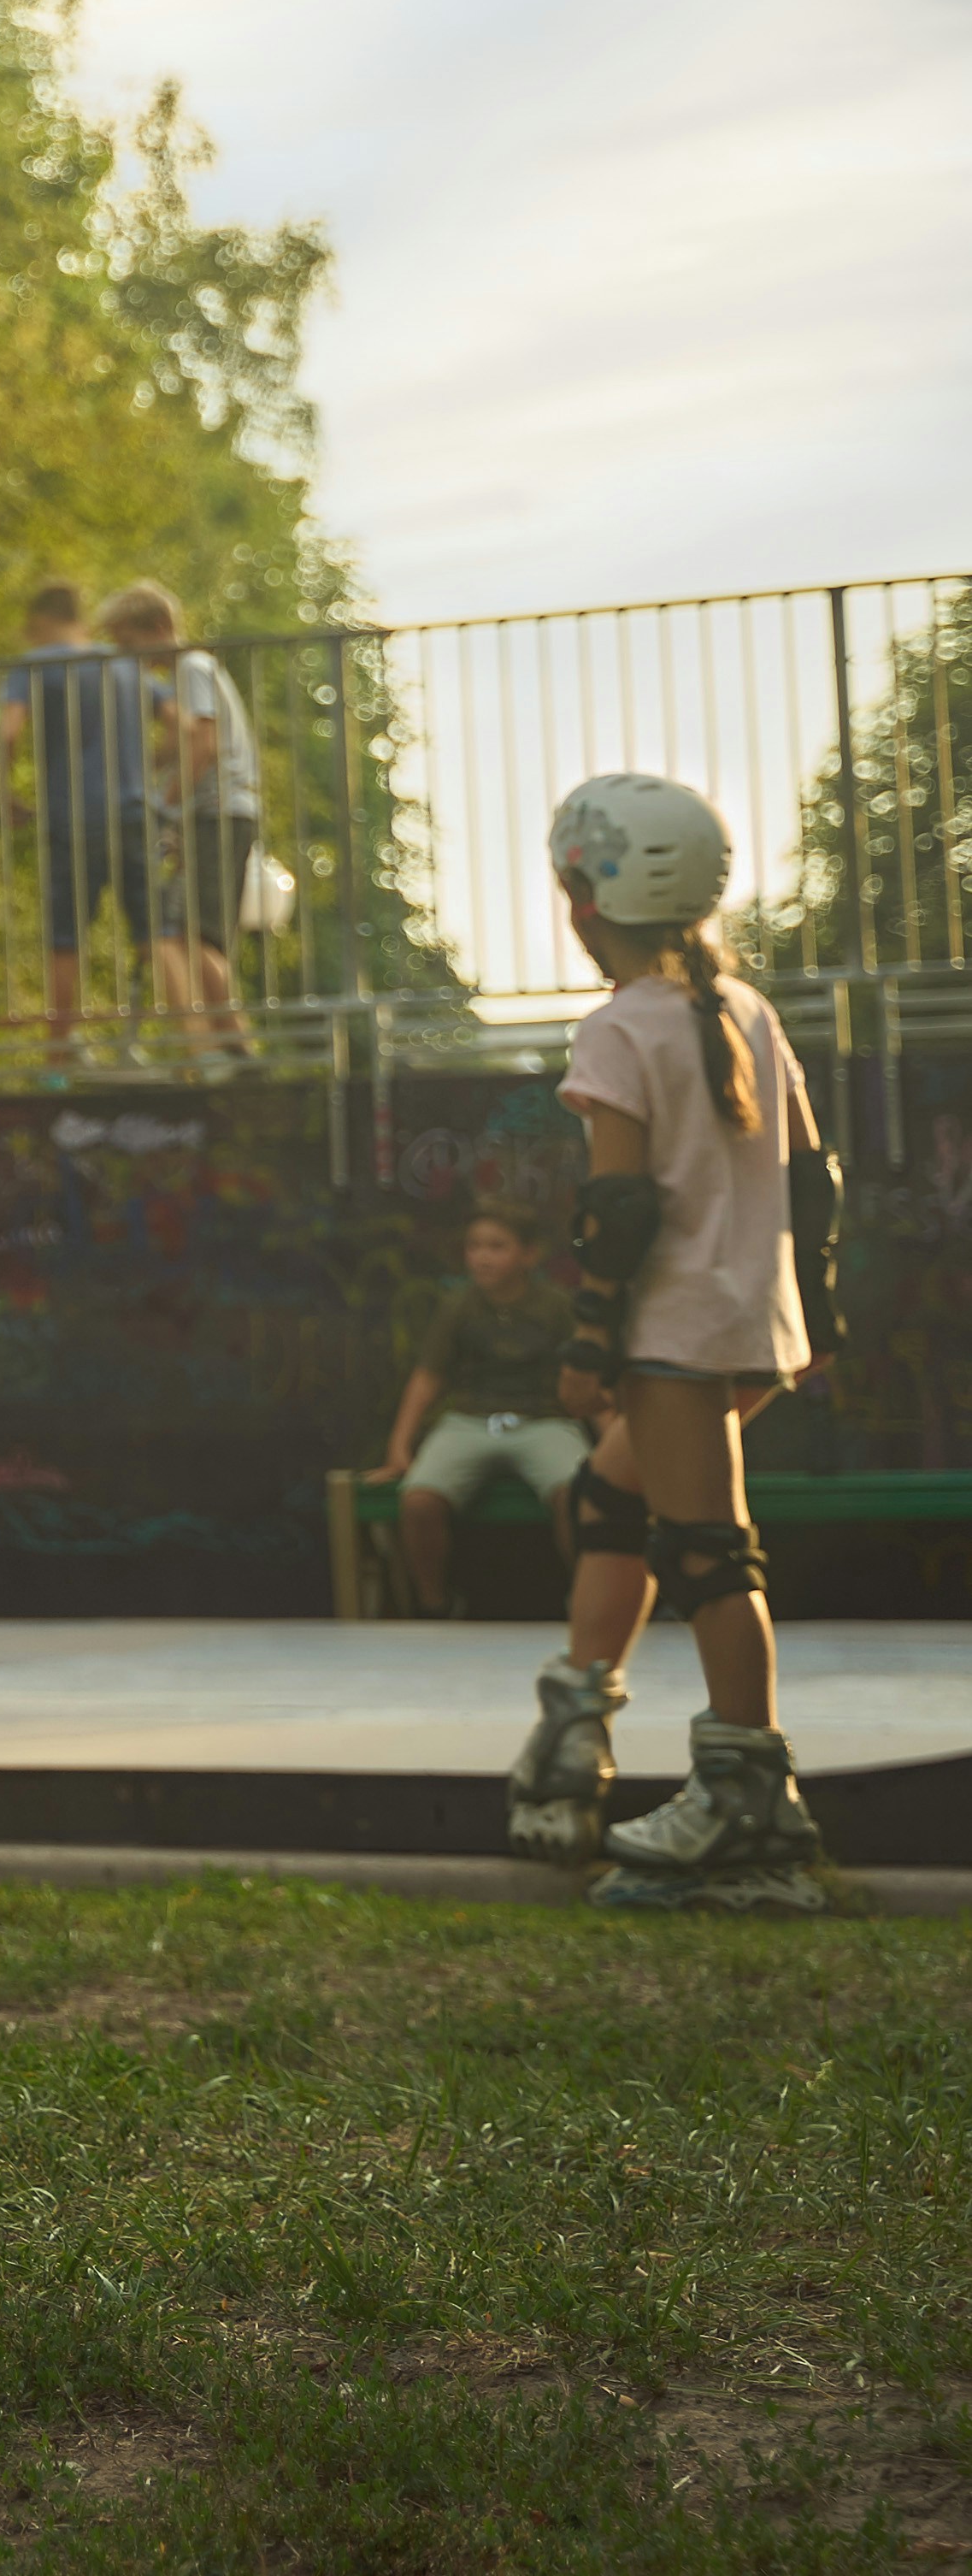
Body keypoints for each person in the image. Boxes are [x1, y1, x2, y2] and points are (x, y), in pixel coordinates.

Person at [502, 773, 842, 1912]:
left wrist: (590, 1342)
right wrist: (818, 1318)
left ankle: (750, 1811)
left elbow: (620, 1208)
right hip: (750, 1327)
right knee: (614, 1496)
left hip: (673, 1338)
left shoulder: (619, 1027)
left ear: (582, 900)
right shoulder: (745, 1006)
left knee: (706, 1553)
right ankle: (576, 1722)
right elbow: (813, 1176)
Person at [374, 1208, 586, 1616]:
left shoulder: (557, 1307)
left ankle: (588, 1600)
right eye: (474, 1247)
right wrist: (399, 1447)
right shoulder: (458, 1306)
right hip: (470, 1421)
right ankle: (434, 1605)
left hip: (544, 1421)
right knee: (419, 1502)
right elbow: (427, 1377)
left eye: (496, 1247)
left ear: (528, 1254)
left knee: (577, 1496)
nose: (483, 1258)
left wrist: (618, 1448)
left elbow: (586, 1381)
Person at [0, 579, 155, 1066]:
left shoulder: (37, 662)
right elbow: (180, 720)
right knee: (153, 931)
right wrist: (159, 778)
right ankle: (169, 1042)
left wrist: (4, 795)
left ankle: (61, 1051)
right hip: (134, 809)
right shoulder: (124, 664)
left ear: (41, 621)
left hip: (73, 814)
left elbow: (8, 731)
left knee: (66, 934)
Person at [97, 582, 262, 1059]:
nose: (127, 657)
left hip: (219, 813)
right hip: (214, 815)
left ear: (158, 628)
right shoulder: (190, 673)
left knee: (194, 934)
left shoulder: (190, 667)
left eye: (129, 643)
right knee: (194, 932)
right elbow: (178, 746)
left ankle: (238, 1050)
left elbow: (201, 744)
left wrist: (163, 811)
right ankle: (228, 1048)